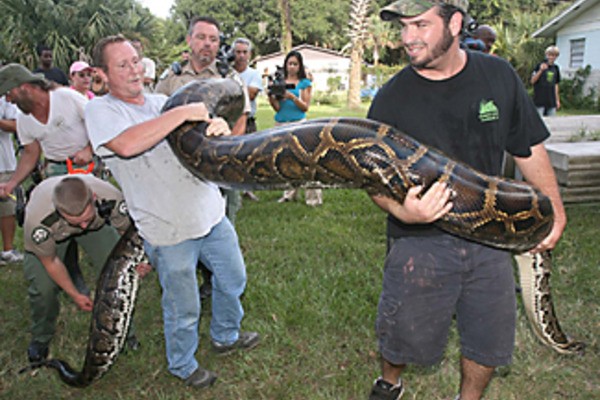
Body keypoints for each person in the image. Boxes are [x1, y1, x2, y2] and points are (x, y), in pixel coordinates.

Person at [368, 2, 567, 400]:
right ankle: (390, 383)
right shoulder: (392, 98)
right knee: (404, 331)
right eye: (404, 27)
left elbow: (527, 147)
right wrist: (403, 211)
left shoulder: (498, 76)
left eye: (421, 25)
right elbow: (370, 178)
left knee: (488, 337)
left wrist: (555, 210)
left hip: (491, 236)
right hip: (418, 238)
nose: (408, 38)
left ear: (455, 23)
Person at [85, 34, 259, 389]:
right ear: (101, 73)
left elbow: (203, 139)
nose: (134, 69)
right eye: (122, 64)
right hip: (168, 228)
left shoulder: (162, 101)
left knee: (233, 279)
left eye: (135, 60)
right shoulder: (101, 111)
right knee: (184, 305)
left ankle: (226, 335)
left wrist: (217, 129)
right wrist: (182, 114)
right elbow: (127, 144)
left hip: (210, 214)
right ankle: (183, 364)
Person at [22, 175, 150, 363]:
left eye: (86, 218)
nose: (82, 225)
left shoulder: (112, 199)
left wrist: (140, 261)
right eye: (76, 222)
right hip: (54, 236)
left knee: (120, 275)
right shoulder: (39, 221)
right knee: (43, 289)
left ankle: (123, 333)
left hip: (97, 228)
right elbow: (50, 261)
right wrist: (75, 295)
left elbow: (127, 234)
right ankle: (41, 337)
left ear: (94, 198)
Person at [156, 16, 251, 224]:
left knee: (223, 223)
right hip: (180, 166)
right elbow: (157, 119)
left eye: (213, 39)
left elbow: (241, 121)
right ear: (189, 40)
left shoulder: (230, 79)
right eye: (201, 37)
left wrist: (227, 159)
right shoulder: (172, 77)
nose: (208, 43)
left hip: (220, 166)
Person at [268, 51, 322, 206]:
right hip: (281, 124)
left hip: (299, 124)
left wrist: (291, 97)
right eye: (289, 63)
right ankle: (289, 194)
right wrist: (271, 97)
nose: (291, 67)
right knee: (286, 161)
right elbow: (278, 108)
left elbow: (305, 107)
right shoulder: (280, 81)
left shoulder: (304, 83)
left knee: (307, 160)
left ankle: (313, 198)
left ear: (300, 66)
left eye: (295, 64)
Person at [232, 37, 263, 201]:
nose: (241, 56)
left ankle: (248, 189)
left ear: (250, 54)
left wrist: (232, 89)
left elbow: (251, 94)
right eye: (238, 52)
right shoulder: (226, 71)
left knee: (250, 156)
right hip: (229, 121)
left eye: (244, 52)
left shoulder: (253, 74)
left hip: (248, 120)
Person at [0, 93, 23, 264]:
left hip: (4, 163)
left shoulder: (4, 99)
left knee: (8, 208)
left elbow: (17, 125)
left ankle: (8, 250)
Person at [531, 45, 561, 117]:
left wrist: (557, 100)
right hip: (540, 100)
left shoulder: (556, 68)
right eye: (550, 55)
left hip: (551, 100)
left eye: (554, 55)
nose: (551, 57)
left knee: (551, 122)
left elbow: (556, 85)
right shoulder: (539, 65)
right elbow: (532, 81)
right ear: (546, 55)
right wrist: (540, 71)